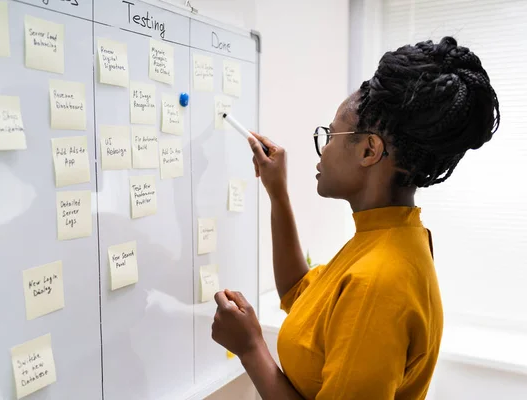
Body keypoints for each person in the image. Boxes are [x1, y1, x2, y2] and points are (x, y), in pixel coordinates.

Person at [210, 36, 500, 399]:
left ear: (368, 150)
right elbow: (300, 295)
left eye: (331, 134)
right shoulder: (394, 234)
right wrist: (277, 192)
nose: (324, 147)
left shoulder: (379, 282)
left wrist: (251, 349)